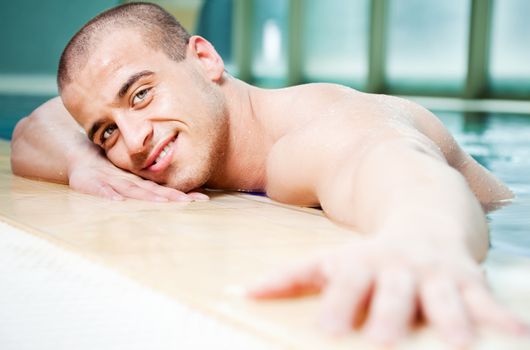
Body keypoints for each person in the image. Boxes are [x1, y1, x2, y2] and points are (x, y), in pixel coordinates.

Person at [10, 2, 527, 346]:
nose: (134, 139)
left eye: (141, 94)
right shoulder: (157, 136)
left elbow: (389, 159)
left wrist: (421, 239)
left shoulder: (313, 131)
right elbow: (36, 128)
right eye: (105, 133)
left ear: (206, 59)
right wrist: (82, 161)